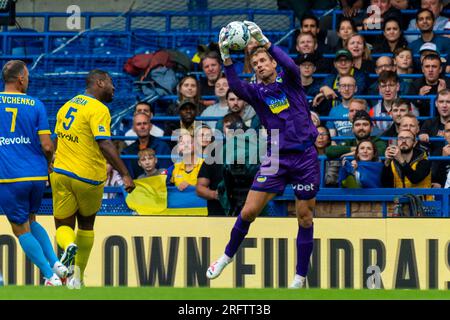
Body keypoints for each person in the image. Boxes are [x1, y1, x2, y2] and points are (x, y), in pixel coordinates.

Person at [208, 21, 320, 288]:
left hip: (304, 157)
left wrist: (266, 41)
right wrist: (226, 56)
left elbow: (292, 66)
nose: (259, 65)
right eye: (255, 63)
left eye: (263, 60)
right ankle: (225, 257)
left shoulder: (290, 81)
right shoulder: (256, 93)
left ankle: (299, 276)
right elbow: (234, 84)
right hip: (275, 158)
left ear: (272, 63)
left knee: (305, 216)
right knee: (248, 212)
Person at [51, 69, 135, 289]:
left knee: (62, 223)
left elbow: (56, 139)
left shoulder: (66, 106)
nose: (114, 87)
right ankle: (77, 278)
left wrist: (50, 163)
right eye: (110, 82)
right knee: (86, 224)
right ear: (99, 83)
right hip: (87, 177)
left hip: (60, 173)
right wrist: (125, 173)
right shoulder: (99, 108)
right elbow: (104, 143)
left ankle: (68, 246)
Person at [0, 60, 68, 286]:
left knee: (20, 228)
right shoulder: (36, 104)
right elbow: (48, 146)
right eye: (27, 76)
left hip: (10, 176)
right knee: (31, 219)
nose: (28, 80)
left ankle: (49, 276)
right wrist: (49, 165)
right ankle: (57, 263)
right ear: (20, 79)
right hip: (37, 176)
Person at [122, 112, 172, 178]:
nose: (142, 127)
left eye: (145, 123)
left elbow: (167, 172)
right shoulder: (128, 151)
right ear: (134, 128)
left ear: (150, 126)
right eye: (139, 124)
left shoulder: (162, 146)